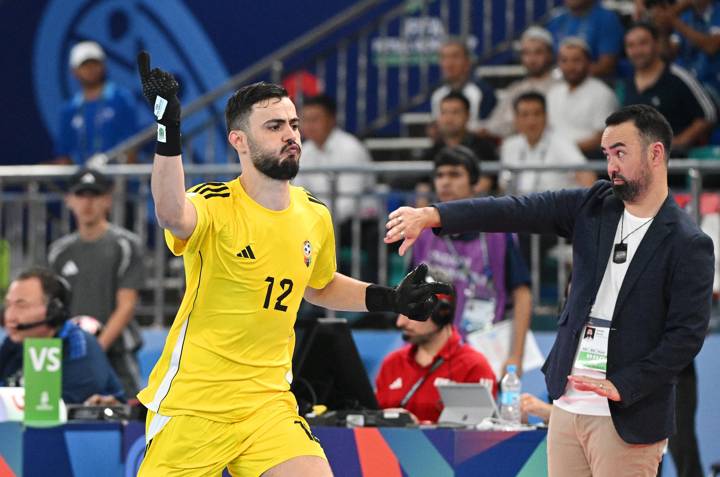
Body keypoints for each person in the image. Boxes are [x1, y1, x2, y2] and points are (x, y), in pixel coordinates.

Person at [135, 52, 450, 477]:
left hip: (268, 405)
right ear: (239, 141)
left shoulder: (313, 214)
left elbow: (318, 285)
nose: (290, 135)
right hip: (195, 406)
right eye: (274, 126)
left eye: (293, 124)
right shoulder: (216, 203)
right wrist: (167, 131)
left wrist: (391, 298)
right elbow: (172, 214)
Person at [384, 104, 714, 477]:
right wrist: (434, 215)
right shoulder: (595, 204)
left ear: (655, 153)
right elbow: (514, 209)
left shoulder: (689, 243)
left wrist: (624, 385)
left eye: (620, 152)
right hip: (568, 407)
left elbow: (685, 337)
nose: (611, 167)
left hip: (628, 416)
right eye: (607, 155)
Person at [413, 146, 533, 374]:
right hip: (431, 351)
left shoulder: (499, 233)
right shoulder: (423, 233)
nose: (445, 182)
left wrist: (516, 356)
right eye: (440, 175)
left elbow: (523, 295)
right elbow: (411, 294)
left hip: (482, 351)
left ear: (475, 183)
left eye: (455, 174)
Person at [48, 168, 145, 398]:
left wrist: (95, 349)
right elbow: (54, 306)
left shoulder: (126, 245)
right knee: (65, 415)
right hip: (71, 351)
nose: (87, 203)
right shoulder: (58, 252)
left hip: (117, 351)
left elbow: (127, 304)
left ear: (107, 200)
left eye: (95, 195)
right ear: (69, 200)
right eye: (81, 195)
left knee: (130, 420)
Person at [375, 276, 497, 423]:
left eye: (412, 313)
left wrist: (421, 429)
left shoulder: (474, 366)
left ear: (442, 313)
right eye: (400, 312)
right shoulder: (392, 363)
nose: (400, 322)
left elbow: (480, 437)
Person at [0, 267, 124, 404]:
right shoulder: (14, 343)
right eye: (8, 305)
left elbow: (54, 410)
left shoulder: (79, 345)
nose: (9, 317)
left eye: (21, 306)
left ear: (54, 311)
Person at [622, 22, 716, 157]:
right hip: (639, 159)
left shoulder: (677, 76)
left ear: (656, 44)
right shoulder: (628, 83)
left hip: (675, 160)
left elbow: (709, 115)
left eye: (643, 43)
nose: (637, 51)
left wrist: (678, 142)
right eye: (631, 45)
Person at [54, 41, 138, 165]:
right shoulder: (69, 110)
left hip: (118, 180)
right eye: (85, 65)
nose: (91, 69)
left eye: (95, 63)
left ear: (104, 66)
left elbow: (132, 145)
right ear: (74, 71)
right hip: (84, 182)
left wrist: (120, 182)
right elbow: (64, 155)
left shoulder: (122, 99)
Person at [499, 91, 596, 195]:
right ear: (516, 119)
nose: (531, 121)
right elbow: (503, 186)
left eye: (537, 114)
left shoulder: (561, 142)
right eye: (525, 115)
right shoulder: (509, 145)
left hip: (556, 208)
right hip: (520, 207)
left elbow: (588, 177)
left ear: (546, 117)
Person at [483, 26, 561, 139]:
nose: (532, 59)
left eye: (538, 52)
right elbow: (494, 125)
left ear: (550, 55)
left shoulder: (560, 88)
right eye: (526, 53)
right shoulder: (515, 89)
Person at [547, 37, 619, 157]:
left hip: (589, 158)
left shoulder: (602, 93)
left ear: (589, 62)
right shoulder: (553, 93)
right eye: (564, 60)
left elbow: (602, 138)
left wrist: (564, 150)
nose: (570, 66)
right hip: (554, 157)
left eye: (576, 60)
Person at [422, 92, 498, 194]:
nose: (449, 118)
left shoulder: (484, 147)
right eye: (444, 112)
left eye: (455, 112)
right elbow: (422, 186)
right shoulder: (433, 150)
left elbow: (485, 184)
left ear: (467, 115)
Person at [430, 38, 497, 130]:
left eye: (455, 57)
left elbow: (489, 128)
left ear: (468, 61)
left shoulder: (483, 91)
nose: (449, 63)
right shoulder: (437, 93)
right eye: (444, 58)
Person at [546, 0, 625, 78]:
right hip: (558, 82)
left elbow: (607, 65)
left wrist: (569, 75)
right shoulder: (557, 19)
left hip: (595, 82)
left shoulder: (606, 18)